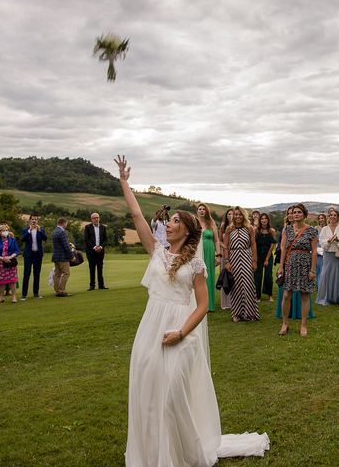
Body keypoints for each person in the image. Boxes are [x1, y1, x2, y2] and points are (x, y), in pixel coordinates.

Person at [114, 155, 269, 466]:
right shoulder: (156, 253)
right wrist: (124, 182)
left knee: (173, 392)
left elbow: (201, 306)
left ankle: (180, 451)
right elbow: (135, 215)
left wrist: (182, 332)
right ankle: (155, 451)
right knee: (148, 387)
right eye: (168, 221)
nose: (167, 224)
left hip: (182, 327)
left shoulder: (196, 264)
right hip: (151, 325)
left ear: (185, 230)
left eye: (174, 222)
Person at [277, 203, 318, 337]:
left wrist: (312, 270)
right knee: (286, 294)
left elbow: (314, 251)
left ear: (304, 214)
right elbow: (283, 248)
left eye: (299, 212)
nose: (296, 214)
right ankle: (285, 323)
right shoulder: (287, 230)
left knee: (305, 295)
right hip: (290, 264)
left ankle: (303, 325)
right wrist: (281, 266)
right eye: (294, 212)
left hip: (305, 265)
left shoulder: (311, 230)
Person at [224, 207, 260, 322]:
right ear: (233, 216)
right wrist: (226, 261)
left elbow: (253, 245)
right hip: (233, 259)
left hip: (246, 258)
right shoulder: (229, 229)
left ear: (243, 216)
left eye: (240, 214)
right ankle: (236, 314)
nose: (238, 216)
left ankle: (250, 313)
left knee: (248, 285)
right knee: (236, 287)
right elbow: (226, 246)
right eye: (236, 214)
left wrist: (254, 260)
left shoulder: (249, 228)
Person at [316, 208, 339, 306]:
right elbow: (321, 243)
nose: (332, 216)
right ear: (328, 217)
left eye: (335, 215)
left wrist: (337, 240)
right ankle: (326, 297)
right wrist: (328, 241)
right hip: (328, 256)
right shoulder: (324, 229)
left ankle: (337, 298)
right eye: (331, 215)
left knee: (338, 276)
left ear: (338, 217)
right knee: (326, 275)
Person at [196, 204, 221, 312]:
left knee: (208, 276)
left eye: (203, 209)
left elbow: (216, 240)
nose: (202, 211)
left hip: (209, 251)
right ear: (197, 211)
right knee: (198, 277)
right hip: (197, 252)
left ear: (207, 211)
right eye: (200, 209)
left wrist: (218, 255)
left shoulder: (211, 223)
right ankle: (198, 305)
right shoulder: (194, 223)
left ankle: (209, 305)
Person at [21, 213, 47, 300]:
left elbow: (45, 238)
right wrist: (29, 231)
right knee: (26, 274)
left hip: (38, 254)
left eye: (36, 219)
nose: (34, 221)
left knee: (37, 274)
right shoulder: (25, 230)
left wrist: (39, 231)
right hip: (28, 255)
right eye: (33, 219)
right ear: (30, 220)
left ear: (37, 221)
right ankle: (24, 294)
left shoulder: (41, 229)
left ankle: (36, 293)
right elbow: (22, 239)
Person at [0, 224, 20, 303]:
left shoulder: (12, 240)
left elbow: (17, 251)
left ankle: (14, 296)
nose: (5, 232)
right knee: (1, 281)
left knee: (12, 280)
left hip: (10, 262)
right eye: (3, 230)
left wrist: (10, 257)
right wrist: (3, 258)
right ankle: (1, 297)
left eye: (7, 230)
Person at [254, 213, 276, 302]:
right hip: (258, 256)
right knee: (257, 276)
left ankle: (270, 295)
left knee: (268, 276)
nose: (263, 220)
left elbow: (272, 245)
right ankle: (257, 296)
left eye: (265, 218)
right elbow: (254, 244)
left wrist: (267, 259)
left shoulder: (272, 231)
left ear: (268, 220)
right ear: (260, 220)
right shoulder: (256, 230)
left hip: (268, 256)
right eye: (262, 218)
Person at [84, 212, 108, 290]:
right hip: (91, 252)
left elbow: (105, 240)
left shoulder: (103, 227)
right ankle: (92, 285)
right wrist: (94, 247)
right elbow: (86, 240)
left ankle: (101, 285)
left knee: (100, 268)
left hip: (100, 251)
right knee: (92, 268)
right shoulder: (87, 227)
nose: (96, 219)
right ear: (91, 219)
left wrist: (101, 247)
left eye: (97, 217)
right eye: (94, 218)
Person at [51, 218, 73, 297]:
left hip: (56, 256)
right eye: (66, 224)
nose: (66, 226)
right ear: (63, 223)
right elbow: (66, 246)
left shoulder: (54, 231)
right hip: (63, 257)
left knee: (57, 274)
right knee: (66, 273)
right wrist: (71, 256)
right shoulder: (62, 232)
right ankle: (61, 290)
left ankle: (57, 291)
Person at [218, 208, 234, 310]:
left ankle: (234, 301)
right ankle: (225, 303)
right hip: (225, 254)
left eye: (232, 214)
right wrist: (225, 247)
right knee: (225, 277)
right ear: (226, 215)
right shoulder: (223, 226)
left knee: (234, 276)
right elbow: (219, 240)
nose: (230, 216)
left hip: (235, 253)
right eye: (229, 214)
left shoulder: (237, 226)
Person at [314, 213, 327, 288]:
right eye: (319, 218)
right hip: (318, 250)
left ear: (325, 219)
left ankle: (324, 285)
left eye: (322, 218)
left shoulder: (328, 228)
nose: (321, 219)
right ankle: (320, 286)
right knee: (319, 269)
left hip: (327, 249)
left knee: (325, 269)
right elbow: (314, 240)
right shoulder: (315, 228)